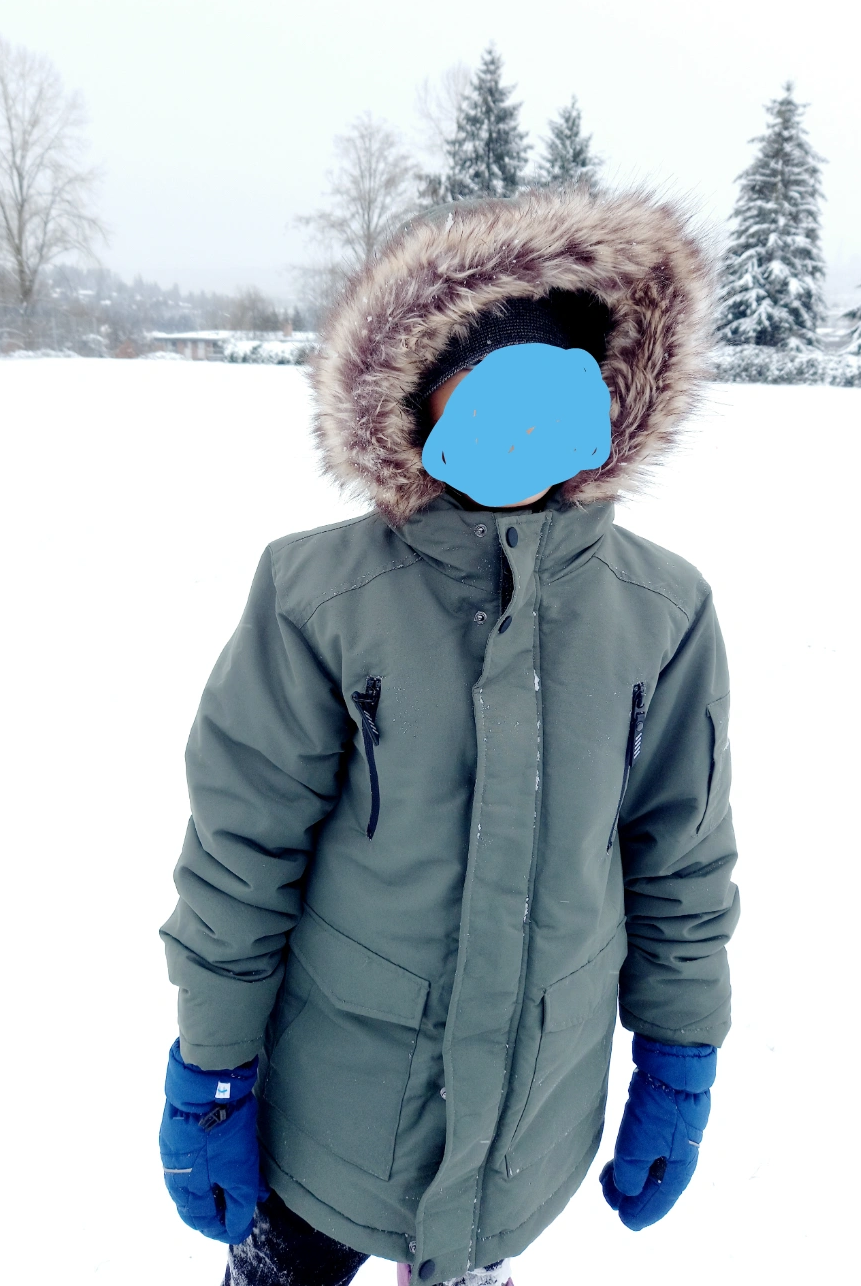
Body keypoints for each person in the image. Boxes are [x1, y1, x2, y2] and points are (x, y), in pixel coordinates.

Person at [159, 186, 740, 1286]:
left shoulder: (660, 610)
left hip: (527, 1126)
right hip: (332, 1118)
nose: (522, 412)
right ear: (415, 396)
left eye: (555, 375)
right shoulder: (319, 595)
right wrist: (215, 1067)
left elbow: (681, 856)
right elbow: (242, 849)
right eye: (485, 377)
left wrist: (680, 1053)